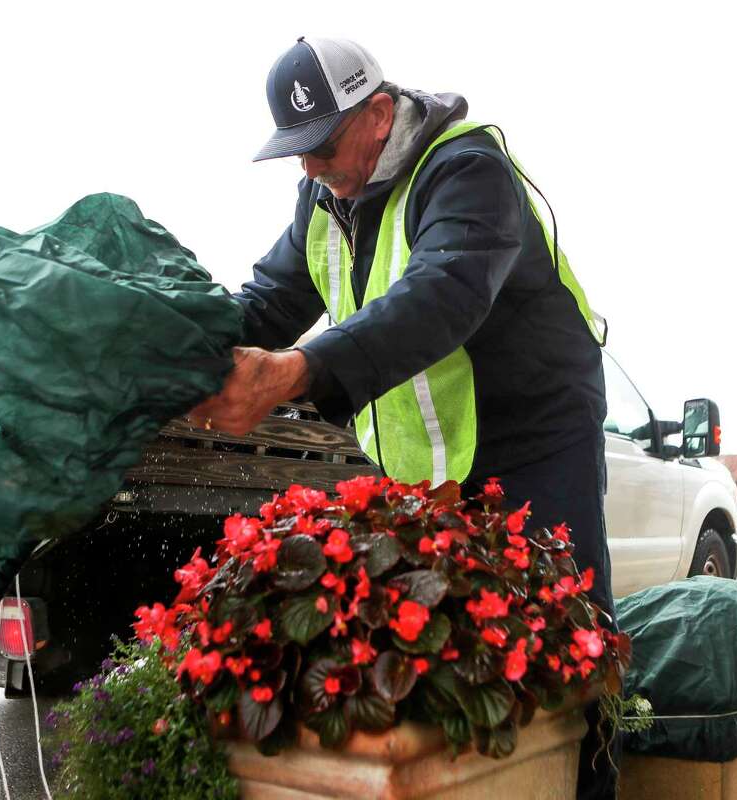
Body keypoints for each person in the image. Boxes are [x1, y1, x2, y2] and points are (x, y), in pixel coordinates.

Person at [188, 37, 617, 798]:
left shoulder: (465, 170)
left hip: (536, 436)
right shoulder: (325, 199)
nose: (308, 167)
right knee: (462, 654)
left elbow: (442, 294)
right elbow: (270, 301)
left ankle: (586, 789)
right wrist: (182, 349)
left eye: (319, 145)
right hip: (433, 465)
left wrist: (298, 371)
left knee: (569, 642)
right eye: (295, 152)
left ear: (378, 114)